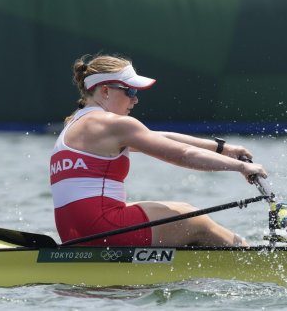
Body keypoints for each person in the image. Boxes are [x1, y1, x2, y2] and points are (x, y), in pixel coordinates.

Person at [50, 53, 268, 247]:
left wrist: (222, 148)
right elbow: (182, 154)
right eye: (130, 90)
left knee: (177, 209)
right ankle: (254, 260)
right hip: (102, 230)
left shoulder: (74, 124)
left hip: (74, 233)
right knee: (195, 218)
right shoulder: (112, 124)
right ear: (105, 90)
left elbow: (159, 138)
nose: (135, 99)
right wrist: (240, 167)